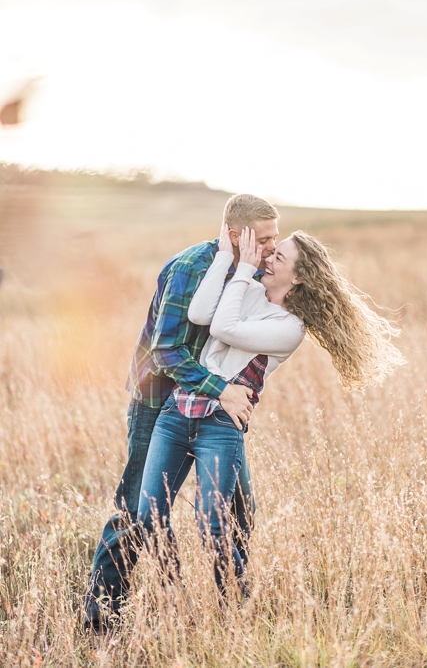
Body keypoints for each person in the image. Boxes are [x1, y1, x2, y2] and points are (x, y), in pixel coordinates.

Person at [135, 219, 405, 602]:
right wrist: (228, 260)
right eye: (271, 252)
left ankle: (235, 604)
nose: (267, 258)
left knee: (212, 525)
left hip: (219, 426)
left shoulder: (289, 328)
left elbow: (224, 329)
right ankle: (172, 590)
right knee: (148, 515)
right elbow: (200, 315)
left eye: (278, 256)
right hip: (177, 411)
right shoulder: (250, 290)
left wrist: (242, 268)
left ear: (297, 278)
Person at [84, 194, 279, 630]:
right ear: (235, 234)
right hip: (158, 407)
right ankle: (101, 617)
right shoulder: (191, 268)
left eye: (274, 236)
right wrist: (222, 389)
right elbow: (167, 350)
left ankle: (235, 614)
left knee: (239, 508)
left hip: (214, 414)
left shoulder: (249, 275)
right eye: (264, 238)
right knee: (139, 513)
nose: (272, 246)